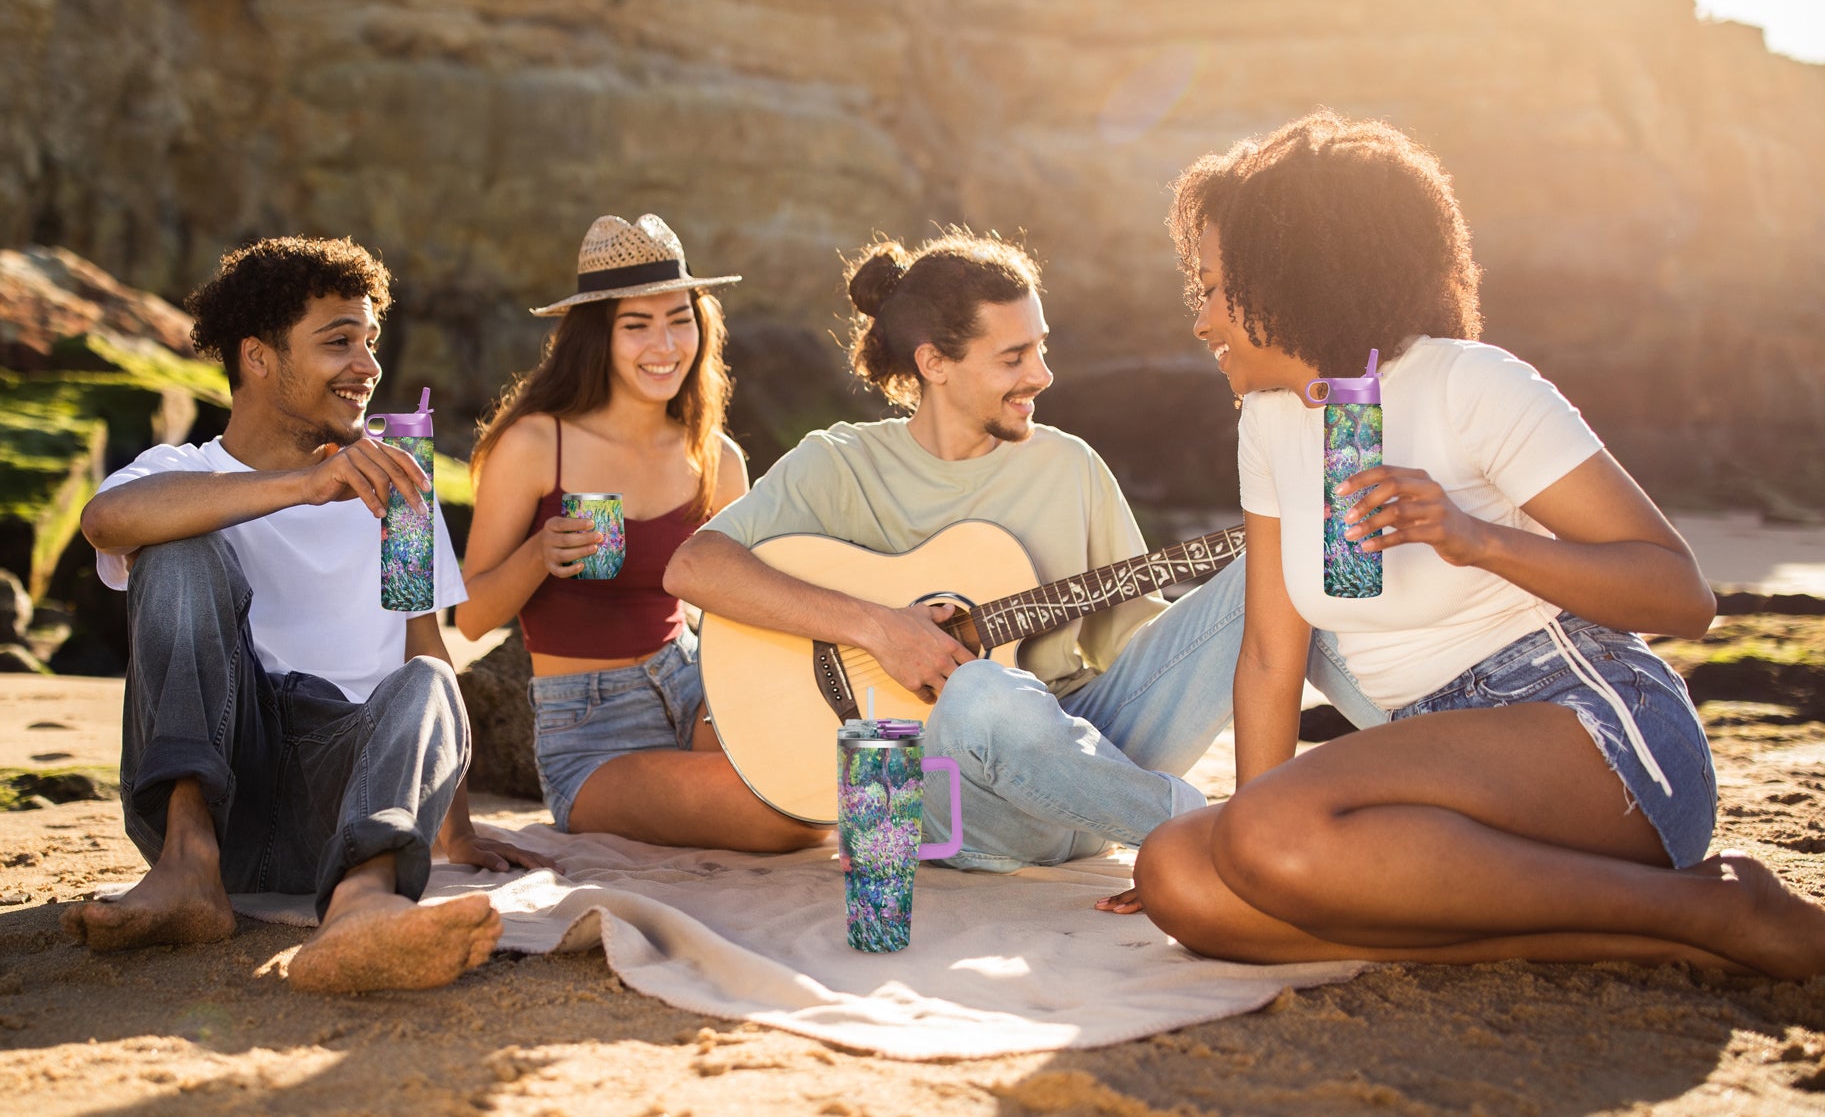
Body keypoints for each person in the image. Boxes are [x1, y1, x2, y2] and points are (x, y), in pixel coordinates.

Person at [1115, 111, 1825, 979]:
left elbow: (1683, 599)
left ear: (1288, 275)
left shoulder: (1470, 384)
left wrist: (1473, 537)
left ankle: (1710, 902)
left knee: (1262, 836)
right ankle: (1675, 928)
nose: (1201, 321)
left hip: (1593, 736)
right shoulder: (1268, 422)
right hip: (1426, 771)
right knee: (1180, 876)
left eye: (1214, 289)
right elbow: (1269, 652)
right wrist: (1243, 860)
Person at [665, 226, 1383, 872]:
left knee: (1281, 563)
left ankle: (1427, 748)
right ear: (934, 363)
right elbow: (693, 567)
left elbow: (1134, 649)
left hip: (1088, 761)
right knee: (982, 692)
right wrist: (880, 628)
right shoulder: (839, 464)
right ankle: (1217, 834)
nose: (1041, 374)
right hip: (955, 804)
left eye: (1040, 347)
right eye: (1014, 356)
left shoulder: (1069, 466)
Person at [70, 236, 536, 993]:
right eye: (338, 341)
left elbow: (428, 647)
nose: (368, 365)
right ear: (257, 358)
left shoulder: (397, 491)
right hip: (222, 781)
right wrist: (300, 487)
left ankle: (361, 904)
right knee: (178, 547)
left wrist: (457, 827)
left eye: (370, 342)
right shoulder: (180, 474)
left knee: (427, 678)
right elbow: (107, 521)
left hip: (346, 804)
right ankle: (187, 866)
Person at [455, 214, 824, 852]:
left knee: (821, 773)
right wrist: (540, 554)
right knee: (789, 816)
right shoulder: (539, 443)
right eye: (637, 324)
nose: (665, 344)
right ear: (598, 336)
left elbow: (747, 605)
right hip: (593, 730)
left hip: (695, 687)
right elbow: (468, 618)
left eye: (680, 318)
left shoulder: (717, 457)